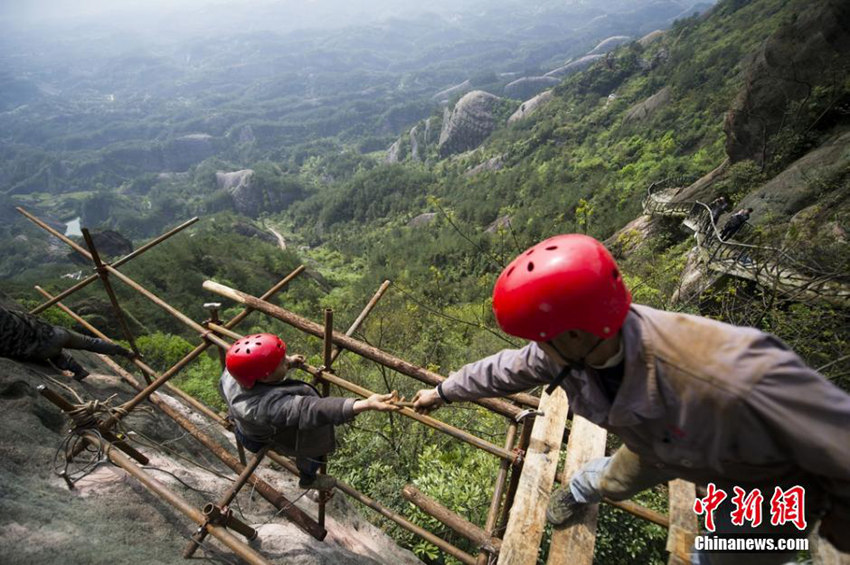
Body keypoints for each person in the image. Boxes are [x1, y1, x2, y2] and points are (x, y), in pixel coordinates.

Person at [412, 234, 850, 562]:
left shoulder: (733, 379)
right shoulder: (575, 348)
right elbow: (503, 369)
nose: (535, 348)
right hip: (654, 443)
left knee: (727, 555)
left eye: (540, 338)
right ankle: (580, 491)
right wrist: (442, 392)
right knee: (611, 480)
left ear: (576, 333)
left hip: (758, 482)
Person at [220, 333, 399, 491]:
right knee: (311, 444)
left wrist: (288, 362)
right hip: (259, 439)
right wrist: (365, 404)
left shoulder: (235, 371)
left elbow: (261, 369)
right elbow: (310, 408)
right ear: (265, 376)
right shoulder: (264, 407)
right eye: (282, 362)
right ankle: (308, 478)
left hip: (244, 426)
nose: (286, 361)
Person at [0, 305, 133, 380]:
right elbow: (27, 317)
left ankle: (78, 370)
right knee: (90, 342)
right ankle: (123, 351)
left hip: (41, 350)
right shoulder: (5, 312)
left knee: (52, 353)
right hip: (55, 333)